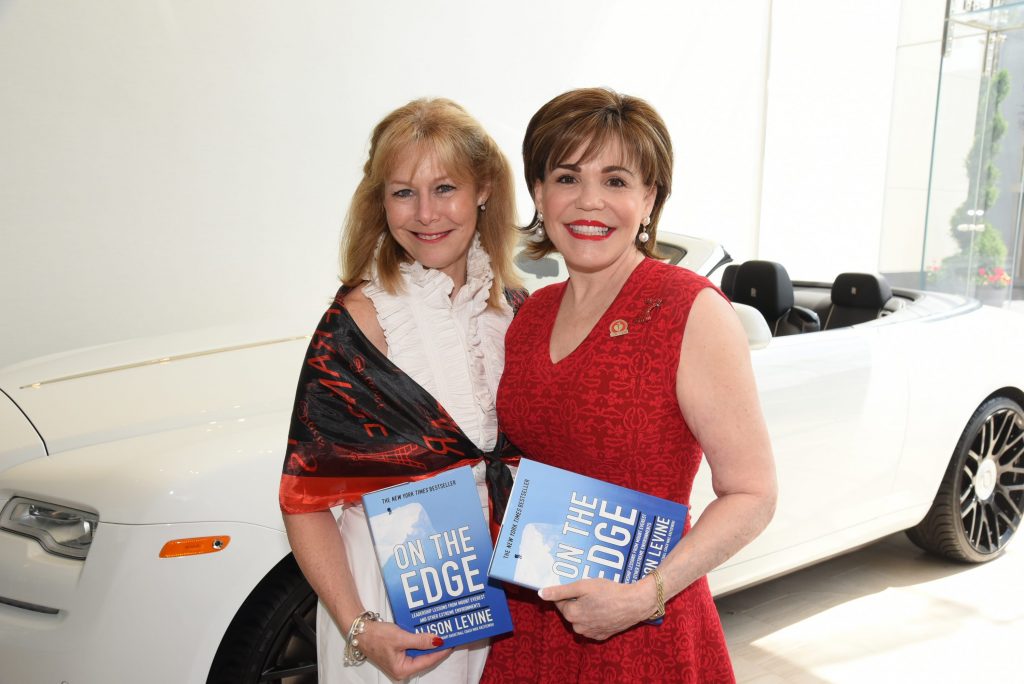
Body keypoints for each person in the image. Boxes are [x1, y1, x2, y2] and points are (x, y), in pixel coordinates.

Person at [482, 88, 777, 683]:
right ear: (539, 193)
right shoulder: (531, 313)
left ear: (649, 199)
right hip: (529, 624)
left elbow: (753, 494)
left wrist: (645, 595)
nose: (589, 201)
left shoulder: (688, 310)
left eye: (616, 180)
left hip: (641, 628)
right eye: (567, 177)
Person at [279, 97, 522, 683]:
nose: (426, 213)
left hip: (499, 599)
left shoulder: (516, 310)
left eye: (445, 188)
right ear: (380, 201)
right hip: (393, 605)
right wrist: (360, 626)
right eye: (403, 192)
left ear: (483, 188)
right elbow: (302, 500)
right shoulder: (362, 319)